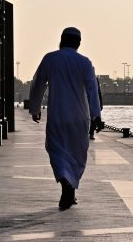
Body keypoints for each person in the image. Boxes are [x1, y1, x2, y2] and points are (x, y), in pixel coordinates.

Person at [28, 27, 101, 210]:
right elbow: (93, 90)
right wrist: (96, 115)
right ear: (78, 43)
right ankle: (71, 187)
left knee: (57, 151)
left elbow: (38, 84)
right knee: (77, 154)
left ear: (61, 40)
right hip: (79, 118)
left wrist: (35, 108)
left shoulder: (50, 59)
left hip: (58, 115)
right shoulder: (85, 63)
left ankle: (65, 183)